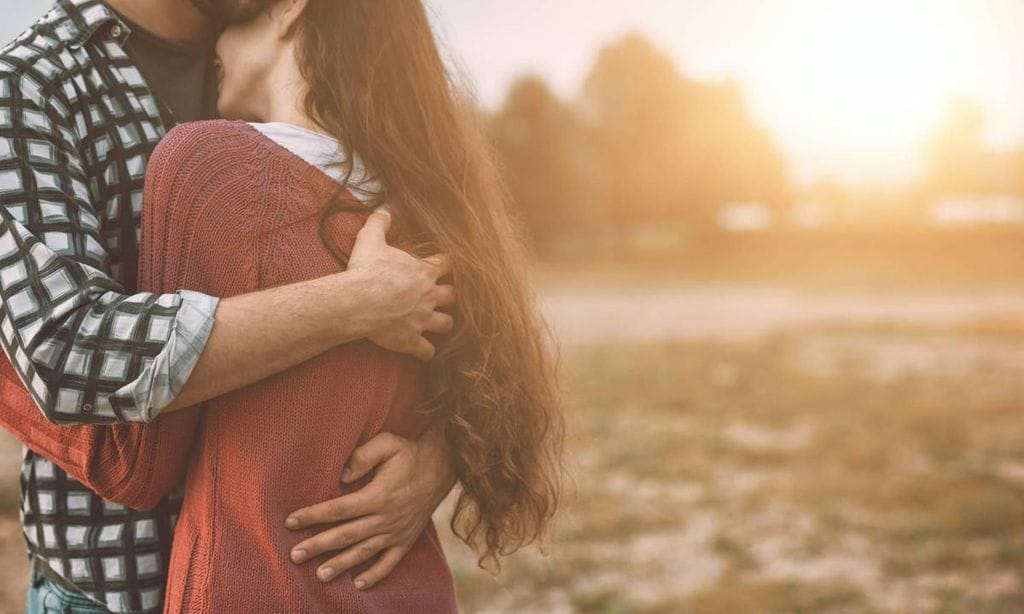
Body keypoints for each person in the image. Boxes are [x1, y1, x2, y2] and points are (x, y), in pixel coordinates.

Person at [0, 0, 461, 611]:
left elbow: (466, 302)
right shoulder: (33, 80)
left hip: (295, 574)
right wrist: (354, 304)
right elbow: (64, 352)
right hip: (112, 585)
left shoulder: (294, 53)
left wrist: (441, 456)